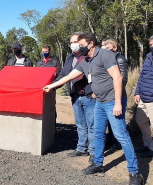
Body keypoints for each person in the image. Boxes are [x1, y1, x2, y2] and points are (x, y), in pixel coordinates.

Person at [43, 33, 143, 185]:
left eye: (81, 44)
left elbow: (117, 77)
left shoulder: (105, 55)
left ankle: (135, 173)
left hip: (112, 101)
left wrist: (118, 103)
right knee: (98, 133)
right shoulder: (85, 60)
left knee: (121, 135)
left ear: (91, 44)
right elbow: (70, 75)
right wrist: (52, 85)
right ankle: (98, 164)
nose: (79, 47)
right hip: (100, 102)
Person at [54, 32, 96, 164]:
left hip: (89, 95)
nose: (73, 45)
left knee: (92, 125)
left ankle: (94, 151)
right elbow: (64, 74)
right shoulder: (69, 58)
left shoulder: (89, 57)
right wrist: (52, 86)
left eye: (75, 42)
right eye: (71, 42)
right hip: (75, 96)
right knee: (80, 124)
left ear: (82, 42)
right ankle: (81, 148)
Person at [104, 39, 128, 151]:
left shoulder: (120, 59)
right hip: (108, 95)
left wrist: (116, 95)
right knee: (110, 121)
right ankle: (111, 140)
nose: (105, 50)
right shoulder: (108, 59)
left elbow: (123, 80)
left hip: (118, 96)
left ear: (115, 48)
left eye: (107, 48)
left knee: (118, 122)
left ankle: (118, 143)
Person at [134, 35, 153, 158]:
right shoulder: (148, 57)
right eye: (150, 45)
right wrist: (137, 92)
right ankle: (148, 144)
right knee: (140, 121)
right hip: (143, 97)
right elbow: (142, 76)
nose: (152, 47)